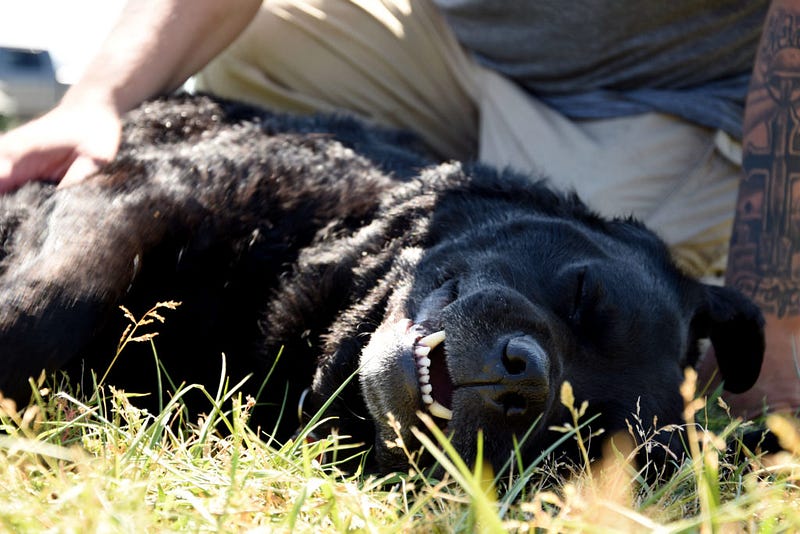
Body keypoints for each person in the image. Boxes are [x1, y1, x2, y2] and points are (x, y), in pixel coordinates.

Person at [0, 0, 795, 419]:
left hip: (661, 103)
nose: (525, 373)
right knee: (255, 42)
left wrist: (781, 316)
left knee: (637, 308)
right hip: (458, 41)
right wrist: (96, 100)